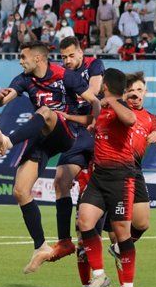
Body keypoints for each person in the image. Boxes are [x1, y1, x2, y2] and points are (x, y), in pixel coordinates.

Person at [0, 42, 101, 274]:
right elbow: (4, 99)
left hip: (66, 133)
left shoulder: (65, 76)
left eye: (23, 56)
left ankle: (8, 142)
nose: (20, 61)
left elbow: (95, 101)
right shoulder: (23, 80)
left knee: (45, 111)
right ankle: (40, 245)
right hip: (42, 137)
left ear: (38, 59)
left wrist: (95, 124)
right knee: (20, 191)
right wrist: (0, 99)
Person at [73, 69, 141, 287]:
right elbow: (98, 127)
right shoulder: (103, 109)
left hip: (121, 178)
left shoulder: (120, 106)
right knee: (84, 221)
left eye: (101, 84)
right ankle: (100, 275)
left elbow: (131, 120)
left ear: (106, 86)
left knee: (122, 234)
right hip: (99, 176)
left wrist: (112, 100)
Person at [41, 38, 107, 264]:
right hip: (75, 129)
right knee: (60, 181)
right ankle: (64, 241)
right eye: (63, 57)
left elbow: (95, 91)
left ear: (81, 53)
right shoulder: (60, 74)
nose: (67, 60)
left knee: (105, 199)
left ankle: (102, 237)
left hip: (95, 129)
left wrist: (77, 91)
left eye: (71, 55)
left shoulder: (94, 65)